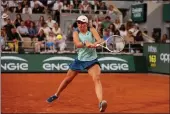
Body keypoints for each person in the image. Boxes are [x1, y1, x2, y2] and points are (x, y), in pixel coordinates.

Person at [46, 15, 107, 112]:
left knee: (96, 79)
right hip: (79, 60)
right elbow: (77, 44)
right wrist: (85, 43)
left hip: (92, 60)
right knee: (67, 80)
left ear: (86, 24)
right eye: (79, 22)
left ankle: (101, 103)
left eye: (82, 23)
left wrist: (96, 43)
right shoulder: (76, 32)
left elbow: (100, 40)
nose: (80, 24)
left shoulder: (92, 30)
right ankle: (56, 95)